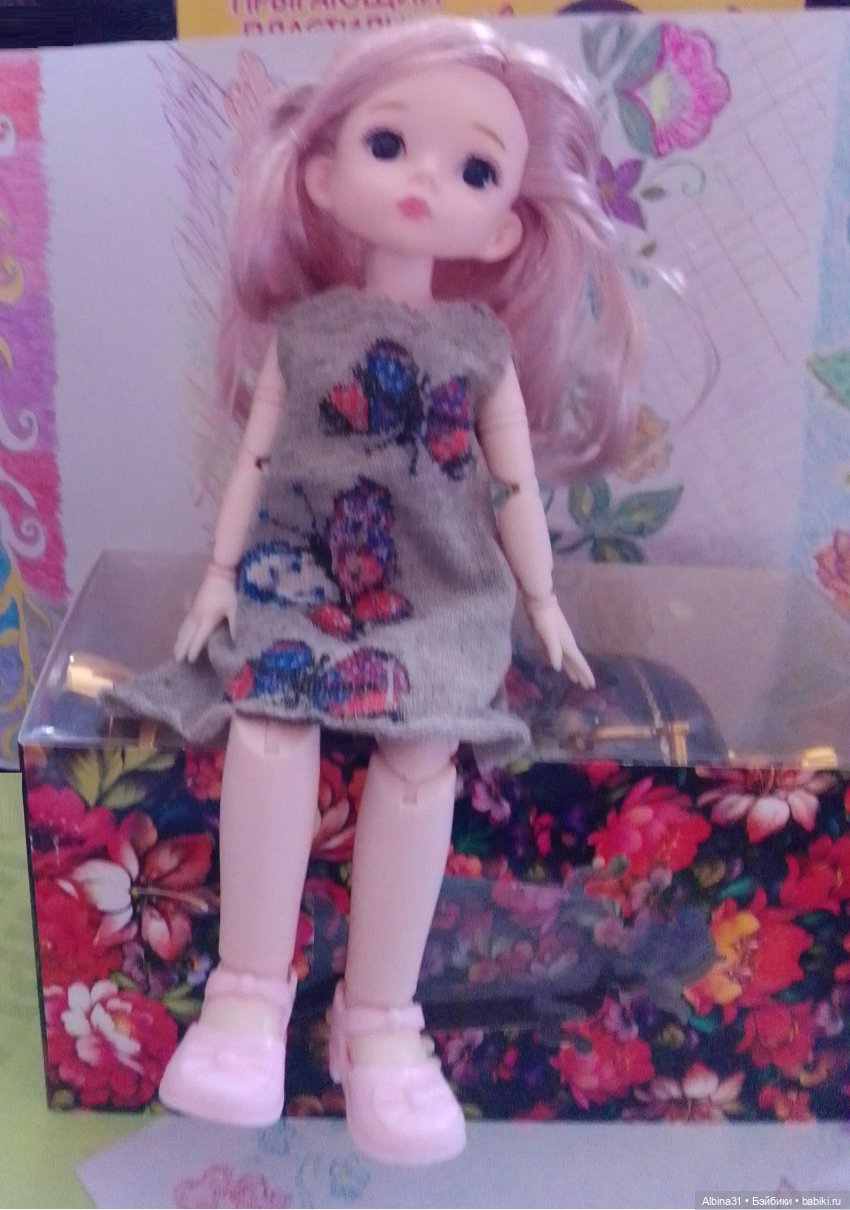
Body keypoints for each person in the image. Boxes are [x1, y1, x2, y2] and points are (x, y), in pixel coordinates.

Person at [108, 17, 642, 1165]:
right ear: (320, 175)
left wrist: (543, 602)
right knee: (266, 722)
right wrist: (217, 580)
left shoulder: (479, 346)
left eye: (474, 169)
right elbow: (256, 461)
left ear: (503, 224)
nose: (423, 182)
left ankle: (383, 1024)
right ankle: (245, 1002)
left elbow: (511, 485)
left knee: (422, 751)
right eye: (388, 144)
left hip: (436, 590)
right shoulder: (303, 333)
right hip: (300, 572)